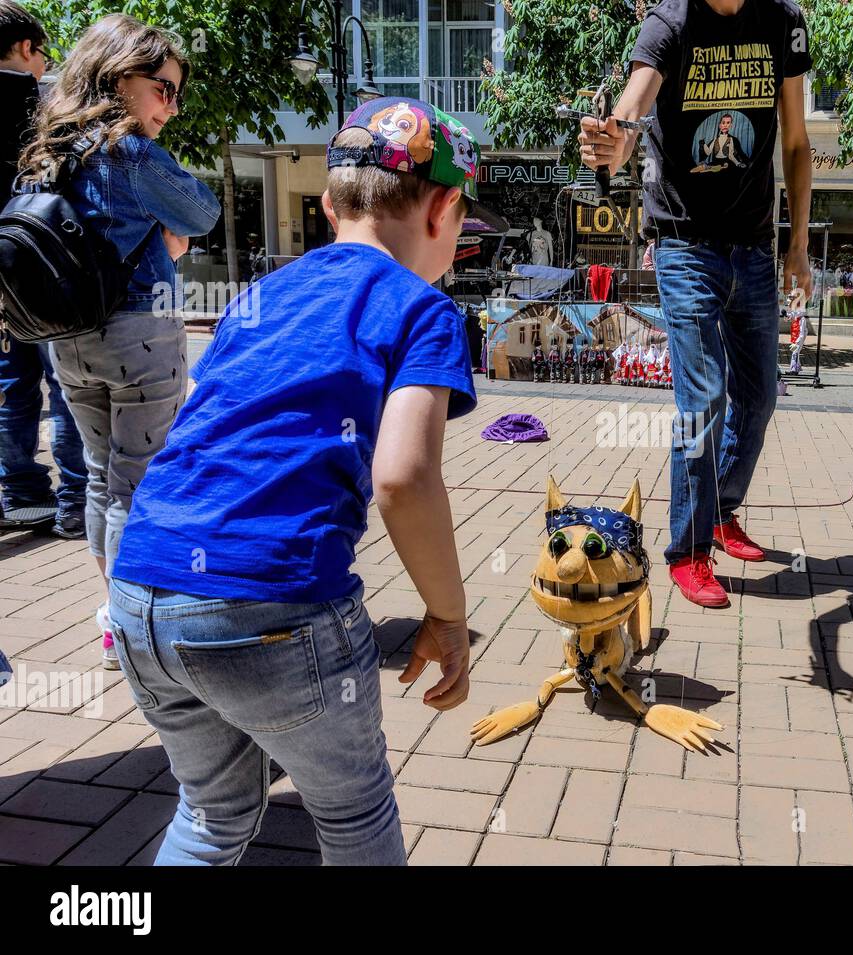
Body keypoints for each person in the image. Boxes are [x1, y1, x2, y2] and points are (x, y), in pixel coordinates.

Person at [105, 96, 506, 864]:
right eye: (461, 227)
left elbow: (205, 429)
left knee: (212, 813)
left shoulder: (258, 298)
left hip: (139, 590)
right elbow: (404, 477)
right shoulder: (422, 309)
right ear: (446, 208)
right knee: (355, 815)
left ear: (328, 206)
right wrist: (448, 616)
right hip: (272, 605)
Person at [579, 0, 813, 607]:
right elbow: (634, 104)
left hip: (755, 249)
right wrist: (615, 142)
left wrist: (798, 245)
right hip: (685, 247)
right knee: (703, 398)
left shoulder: (780, 20)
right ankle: (687, 550)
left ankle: (719, 510)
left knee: (760, 395)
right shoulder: (671, 22)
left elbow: (795, 143)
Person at [18, 14, 221, 668]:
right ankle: (139, 632)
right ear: (119, 75)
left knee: (104, 479)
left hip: (67, 339)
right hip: (138, 332)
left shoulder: (46, 147)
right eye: (163, 88)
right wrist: (169, 226)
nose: (172, 106)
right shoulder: (128, 152)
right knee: (143, 483)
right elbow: (203, 212)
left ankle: (114, 615)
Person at [0, 0, 87, 538]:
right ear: (28, 48)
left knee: (12, 382)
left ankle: (20, 491)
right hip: (41, 264)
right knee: (63, 381)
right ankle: (76, 499)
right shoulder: (43, 106)